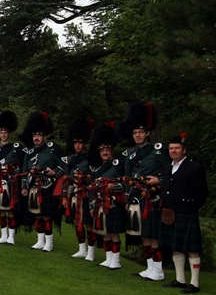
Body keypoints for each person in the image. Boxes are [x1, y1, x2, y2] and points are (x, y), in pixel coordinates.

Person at [119, 102, 170, 281]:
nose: (138, 135)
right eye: (135, 132)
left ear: (147, 133)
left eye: (141, 132)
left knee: (153, 235)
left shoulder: (159, 150)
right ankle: (150, 268)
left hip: (152, 197)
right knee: (143, 234)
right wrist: (126, 198)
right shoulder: (130, 153)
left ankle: (158, 270)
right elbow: (126, 178)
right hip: (135, 197)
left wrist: (160, 180)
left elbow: (170, 172)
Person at [157, 134, 209, 294]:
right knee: (176, 247)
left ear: (184, 150)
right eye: (171, 148)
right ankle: (180, 279)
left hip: (187, 212)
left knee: (192, 249)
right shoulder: (167, 168)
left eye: (177, 148)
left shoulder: (194, 168)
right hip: (169, 213)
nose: (173, 151)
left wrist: (191, 208)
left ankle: (194, 283)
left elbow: (202, 193)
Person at [19, 111, 64, 252]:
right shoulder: (29, 151)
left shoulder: (53, 149)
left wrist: (54, 172)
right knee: (37, 213)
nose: (36, 138)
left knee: (47, 214)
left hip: (47, 185)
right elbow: (25, 169)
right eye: (34, 135)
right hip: (33, 185)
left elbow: (63, 165)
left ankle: (49, 243)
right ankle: (40, 240)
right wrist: (24, 186)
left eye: (39, 135)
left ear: (44, 135)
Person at [87, 123, 126, 270]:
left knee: (113, 233)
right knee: (105, 233)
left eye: (108, 149)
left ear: (112, 150)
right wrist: (92, 205)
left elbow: (125, 183)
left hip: (114, 203)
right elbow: (92, 188)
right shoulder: (96, 169)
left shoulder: (118, 164)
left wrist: (113, 187)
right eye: (102, 149)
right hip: (99, 204)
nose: (105, 152)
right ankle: (108, 258)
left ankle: (116, 260)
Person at [62, 118, 93, 258]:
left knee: (87, 223)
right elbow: (66, 178)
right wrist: (65, 196)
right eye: (75, 143)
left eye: (80, 143)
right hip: (73, 193)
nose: (78, 146)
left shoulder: (89, 158)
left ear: (84, 144)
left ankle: (91, 251)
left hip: (85, 193)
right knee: (76, 222)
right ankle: (82, 248)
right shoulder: (70, 159)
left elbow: (92, 176)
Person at [0, 111, 22, 245]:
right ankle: (3, 235)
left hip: (10, 182)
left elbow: (20, 166)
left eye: (5, 132)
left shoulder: (15, 148)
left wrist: (13, 171)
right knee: (1, 210)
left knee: (10, 210)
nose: (3, 135)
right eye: (1, 132)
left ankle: (11, 236)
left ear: (9, 133)